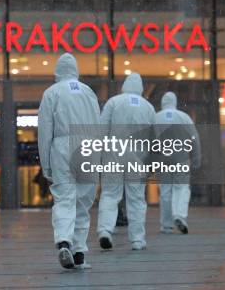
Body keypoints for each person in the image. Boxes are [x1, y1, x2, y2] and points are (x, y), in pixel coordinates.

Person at [38, 53, 100, 269]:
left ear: (58, 70)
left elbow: (45, 131)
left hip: (62, 146)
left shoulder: (51, 93)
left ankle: (64, 241)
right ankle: (80, 252)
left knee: (65, 197)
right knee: (83, 201)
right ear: (75, 69)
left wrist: (46, 164)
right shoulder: (88, 91)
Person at [97, 72, 155, 251]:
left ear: (125, 86)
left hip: (114, 152)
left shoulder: (113, 102)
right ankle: (137, 240)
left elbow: (101, 129)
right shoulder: (148, 107)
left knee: (110, 194)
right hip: (138, 156)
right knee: (136, 198)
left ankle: (105, 230)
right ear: (140, 88)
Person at [154, 91, 201, 234]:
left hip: (162, 158)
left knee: (165, 191)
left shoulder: (156, 118)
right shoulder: (184, 117)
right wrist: (196, 158)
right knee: (181, 188)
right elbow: (194, 139)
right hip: (181, 157)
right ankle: (179, 215)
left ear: (163, 103)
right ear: (174, 102)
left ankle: (166, 225)